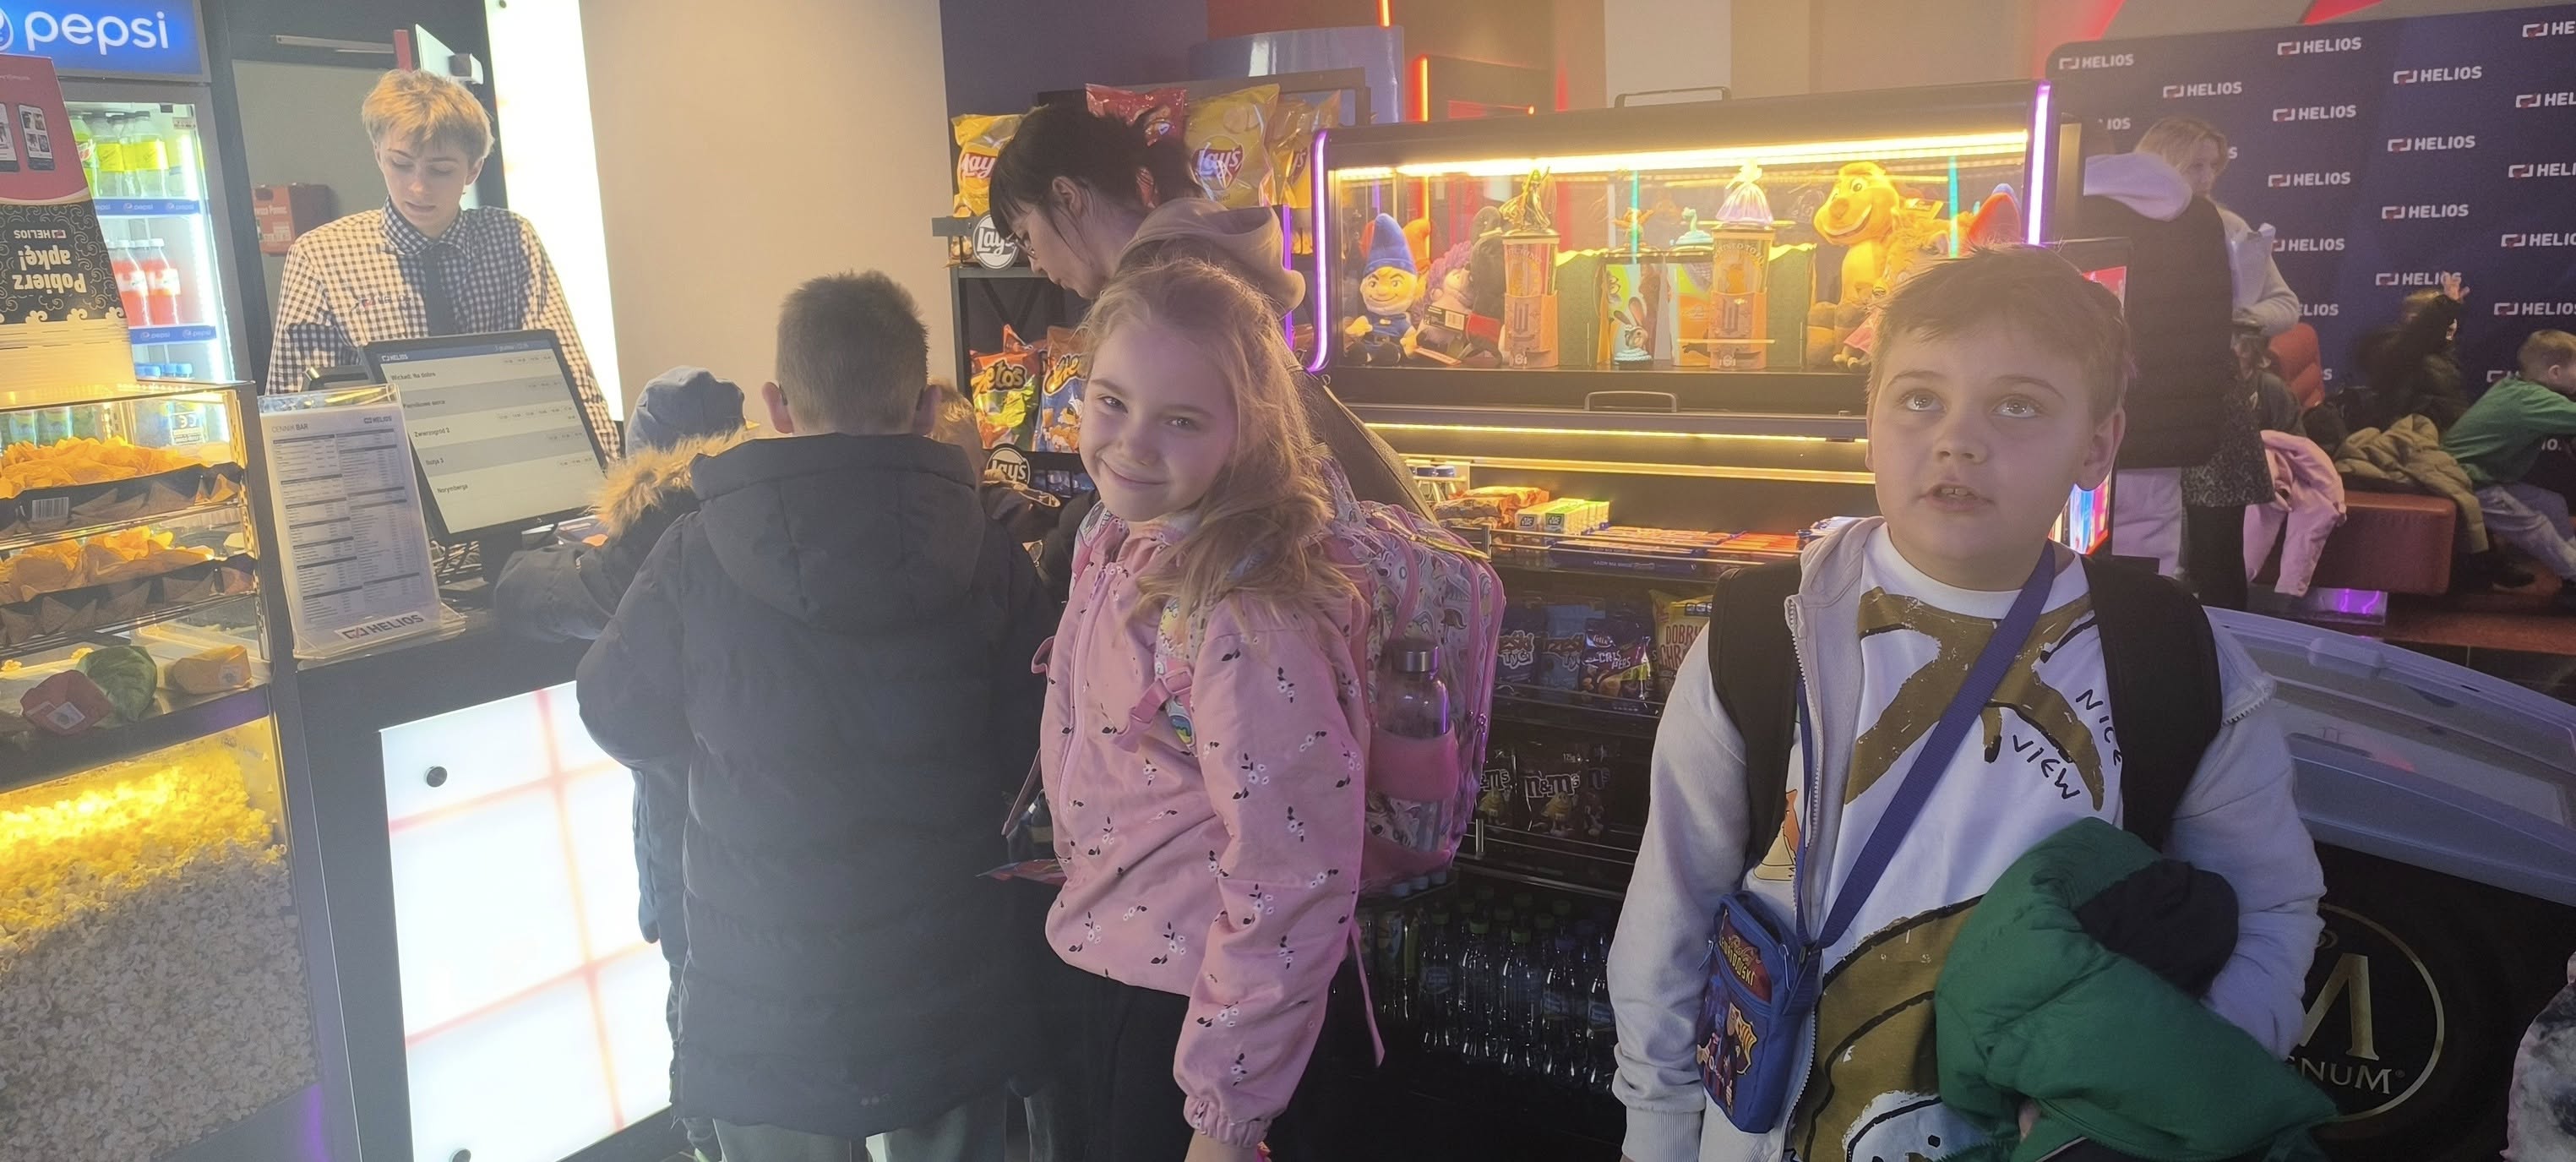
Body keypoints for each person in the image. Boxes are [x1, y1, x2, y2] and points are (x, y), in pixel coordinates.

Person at [1608, 246, 2323, 1162]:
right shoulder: (1760, 635)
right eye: (1918, 398)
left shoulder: (2169, 656)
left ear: (2097, 445)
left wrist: (2151, 1102)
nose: (1957, 440)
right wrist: (1657, 1129)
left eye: (2017, 405)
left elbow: (2268, 905)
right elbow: (1671, 914)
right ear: (1869, 417)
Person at [578, 272, 1052, 1162]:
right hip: (945, 967)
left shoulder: (694, 549)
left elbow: (615, 710)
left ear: (775, 406)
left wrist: (726, 756)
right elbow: (1037, 746)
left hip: (763, 980)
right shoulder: (989, 551)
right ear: (926, 409)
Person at [1037, 258, 1374, 1162]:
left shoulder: (1247, 616)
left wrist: (1222, 1120)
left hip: (1200, 1027)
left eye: (1180, 420)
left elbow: (1290, 876)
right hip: (1110, 965)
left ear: (1246, 430)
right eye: (1111, 401)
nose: (1130, 444)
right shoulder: (1116, 538)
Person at [493, 365, 747, 1160]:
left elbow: (525, 594)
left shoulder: (647, 540)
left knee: (699, 997)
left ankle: (703, 1139)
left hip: (685, 833)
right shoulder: (758, 516)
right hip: (772, 836)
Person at [985, 101, 1422, 520]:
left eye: (1026, 237)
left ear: (1066, 196)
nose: (1035, 264)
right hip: (1344, 506)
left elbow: (1173, 473)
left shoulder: (1161, 290)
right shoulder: (1191, 253)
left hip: (1304, 524)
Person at [268, 68, 618, 456]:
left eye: (441, 170)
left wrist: (606, 476)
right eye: (401, 164)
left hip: (507, 457)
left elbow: (570, 379)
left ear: (473, 169)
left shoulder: (511, 239)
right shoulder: (321, 255)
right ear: (378, 154)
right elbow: (294, 413)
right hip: (384, 467)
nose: (418, 187)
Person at [2138, 117, 2301, 610]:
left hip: (2211, 400)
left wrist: (2232, 318)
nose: (2207, 178)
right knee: (2142, 546)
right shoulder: (2124, 222)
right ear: (2161, 163)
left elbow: (2286, 305)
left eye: (2213, 167)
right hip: (2142, 404)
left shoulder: (2227, 225)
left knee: (2217, 548)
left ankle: (2221, 645)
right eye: (2195, 166)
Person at [2077, 145, 2238, 583]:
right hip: (2169, 427)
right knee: (2150, 566)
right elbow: (2227, 306)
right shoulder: (2199, 216)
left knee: (2069, 563)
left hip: (2087, 420)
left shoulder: (2068, 208)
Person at [2441, 331, 2576, 613]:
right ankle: (2572, 572)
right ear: (2554, 372)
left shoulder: (2516, 387)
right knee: (2534, 524)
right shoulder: (2535, 400)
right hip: (2467, 481)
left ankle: (2571, 566)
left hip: (2473, 475)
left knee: (2552, 503)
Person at [2352, 274, 2472, 434]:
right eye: (2414, 312)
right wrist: (2442, 307)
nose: (2451, 324)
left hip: (2444, 435)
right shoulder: (2386, 345)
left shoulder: (2445, 354)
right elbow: (2410, 345)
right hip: (2406, 437)